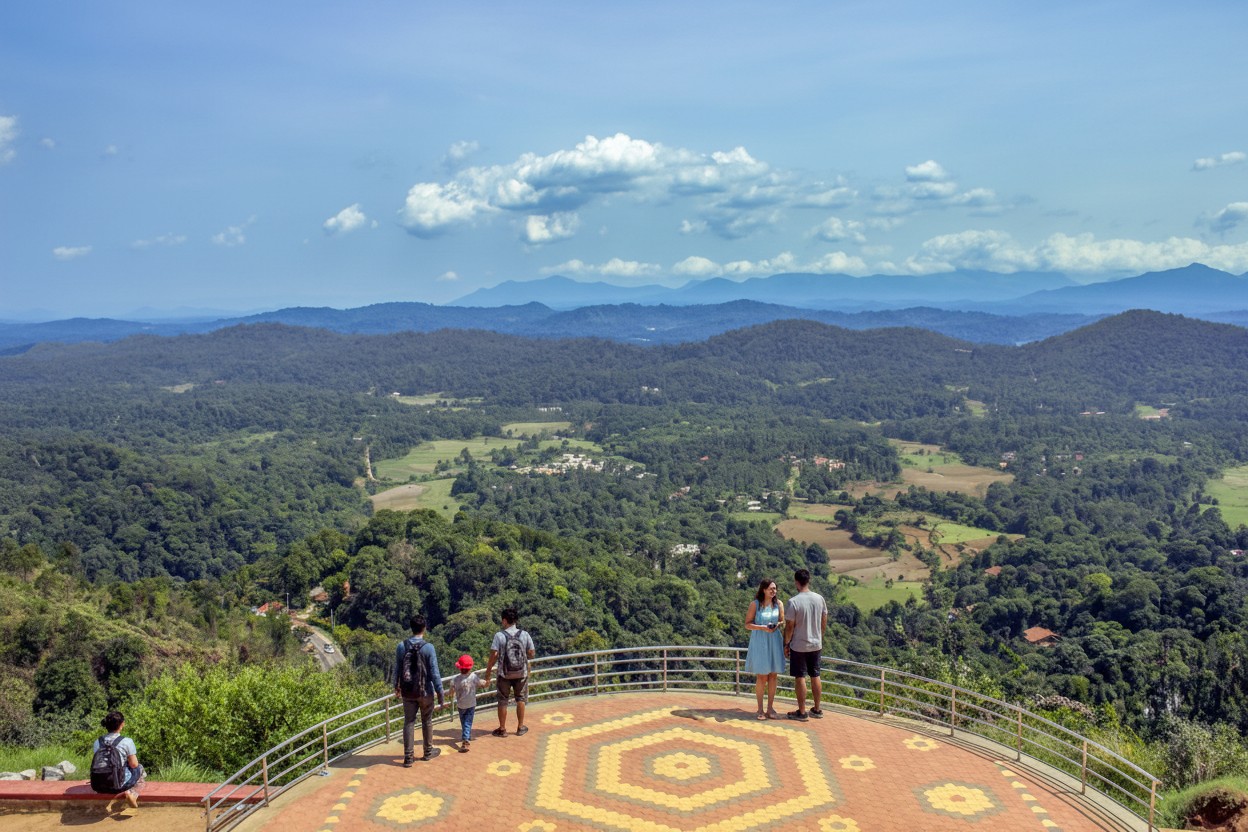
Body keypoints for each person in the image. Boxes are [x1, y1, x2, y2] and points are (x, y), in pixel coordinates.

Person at [393, 614, 444, 765]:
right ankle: (428, 752)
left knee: (409, 722)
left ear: (411, 627)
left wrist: (396, 686)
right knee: (427, 721)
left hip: (408, 692)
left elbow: (397, 668)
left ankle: (408, 757)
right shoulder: (428, 648)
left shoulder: (401, 646)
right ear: (424, 628)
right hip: (425, 692)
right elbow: (435, 672)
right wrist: (440, 693)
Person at [783, 568, 828, 721]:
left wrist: (786, 644)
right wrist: (819, 636)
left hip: (799, 645)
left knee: (800, 676)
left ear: (796, 582)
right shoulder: (819, 599)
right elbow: (824, 621)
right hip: (816, 644)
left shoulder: (794, 602)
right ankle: (817, 708)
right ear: (808, 581)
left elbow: (789, 626)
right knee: (815, 675)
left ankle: (802, 712)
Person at [483, 608, 535, 737]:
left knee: (502, 700)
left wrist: (488, 671)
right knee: (521, 699)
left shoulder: (499, 636)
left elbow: (494, 655)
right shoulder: (525, 634)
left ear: (505, 620)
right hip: (521, 673)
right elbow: (532, 654)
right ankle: (520, 727)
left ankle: (502, 729)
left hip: (504, 674)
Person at [744, 578, 786, 719]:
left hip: (774, 639)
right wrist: (762, 627)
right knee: (762, 676)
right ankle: (760, 709)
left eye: (775, 589)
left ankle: (770, 708)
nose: (774, 591)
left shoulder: (779, 604)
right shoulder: (755, 604)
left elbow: (782, 620)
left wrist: (777, 625)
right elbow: (747, 624)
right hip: (760, 640)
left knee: (773, 675)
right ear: (763, 589)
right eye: (771, 589)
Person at [91, 711, 144, 808]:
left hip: (99, 785)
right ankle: (132, 793)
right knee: (140, 768)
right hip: (117, 785)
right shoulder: (127, 741)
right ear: (122, 724)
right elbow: (134, 765)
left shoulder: (97, 742)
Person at [451, 654, 486, 752]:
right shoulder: (473, 677)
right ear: (470, 668)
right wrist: (486, 681)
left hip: (460, 705)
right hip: (471, 704)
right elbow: (481, 683)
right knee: (468, 722)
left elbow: (451, 690)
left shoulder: (456, 679)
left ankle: (466, 735)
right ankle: (466, 740)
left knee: (464, 721)